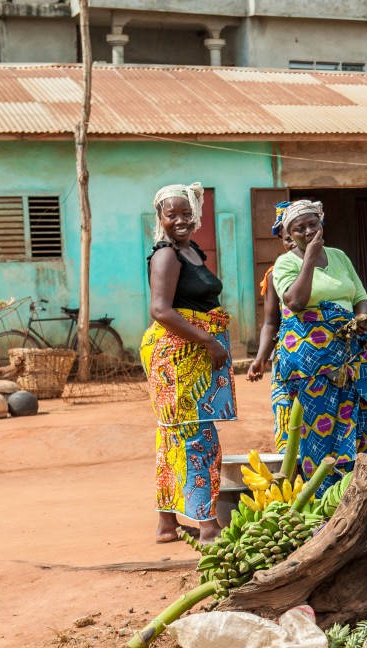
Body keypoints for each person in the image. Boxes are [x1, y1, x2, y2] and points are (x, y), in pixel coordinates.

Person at [140, 182, 236, 544]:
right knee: (196, 437)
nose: (179, 220)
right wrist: (208, 340)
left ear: (195, 214)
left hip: (191, 355)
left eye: (185, 213)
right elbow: (160, 309)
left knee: (176, 437)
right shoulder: (167, 255)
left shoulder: (192, 251)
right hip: (177, 357)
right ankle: (208, 524)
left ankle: (167, 523)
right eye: (171, 214)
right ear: (160, 218)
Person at [272, 200, 367, 492]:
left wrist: (360, 317)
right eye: (299, 228)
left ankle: (355, 491)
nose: (308, 231)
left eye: (313, 224)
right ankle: (320, 495)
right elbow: (295, 302)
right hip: (310, 362)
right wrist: (308, 258)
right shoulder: (285, 263)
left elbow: (360, 295)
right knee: (317, 426)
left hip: (349, 351)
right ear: (290, 234)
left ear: (322, 223)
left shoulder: (339, 256)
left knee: (358, 419)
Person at [246, 202, 293, 383]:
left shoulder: (334, 265)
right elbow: (271, 322)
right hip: (292, 359)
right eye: (288, 239)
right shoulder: (275, 275)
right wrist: (261, 358)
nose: (295, 243)